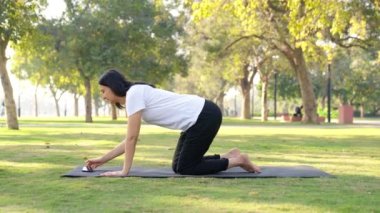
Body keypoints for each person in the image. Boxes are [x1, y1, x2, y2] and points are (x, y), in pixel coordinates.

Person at [86, 69, 261, 176]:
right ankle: (230, 156)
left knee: (186, 167)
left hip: (204, 115)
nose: (103, 96)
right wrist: (102, 160)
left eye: (103, 91)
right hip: (195, 120)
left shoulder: (134, 94)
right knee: (178, 167)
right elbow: (129, 139)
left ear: (113, 86)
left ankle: (238, 161)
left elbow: (132, 138)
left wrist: (124, 171)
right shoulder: (134, 96)